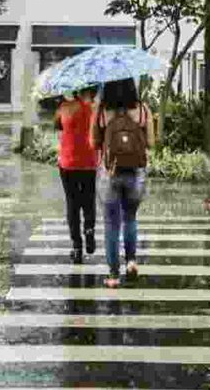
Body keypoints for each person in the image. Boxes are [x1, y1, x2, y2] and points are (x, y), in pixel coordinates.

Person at [91, 78, 154, 288]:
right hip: (136, 172)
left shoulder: (102, 112)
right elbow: (152, 143)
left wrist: (96, 110)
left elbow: (93, 143)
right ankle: (131, 261)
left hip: (110, 172)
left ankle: (113, 274)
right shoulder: (143, 110)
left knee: (111, 223)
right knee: (130, 218)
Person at [54, 85, 99, 264]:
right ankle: (89, 231)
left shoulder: (64, 107)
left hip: (67, 163)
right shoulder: (95, 109)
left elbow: (58, 130)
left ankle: (77, 247)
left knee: (72, 204)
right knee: (89, 199)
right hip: (89, 162)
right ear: (92, 92)